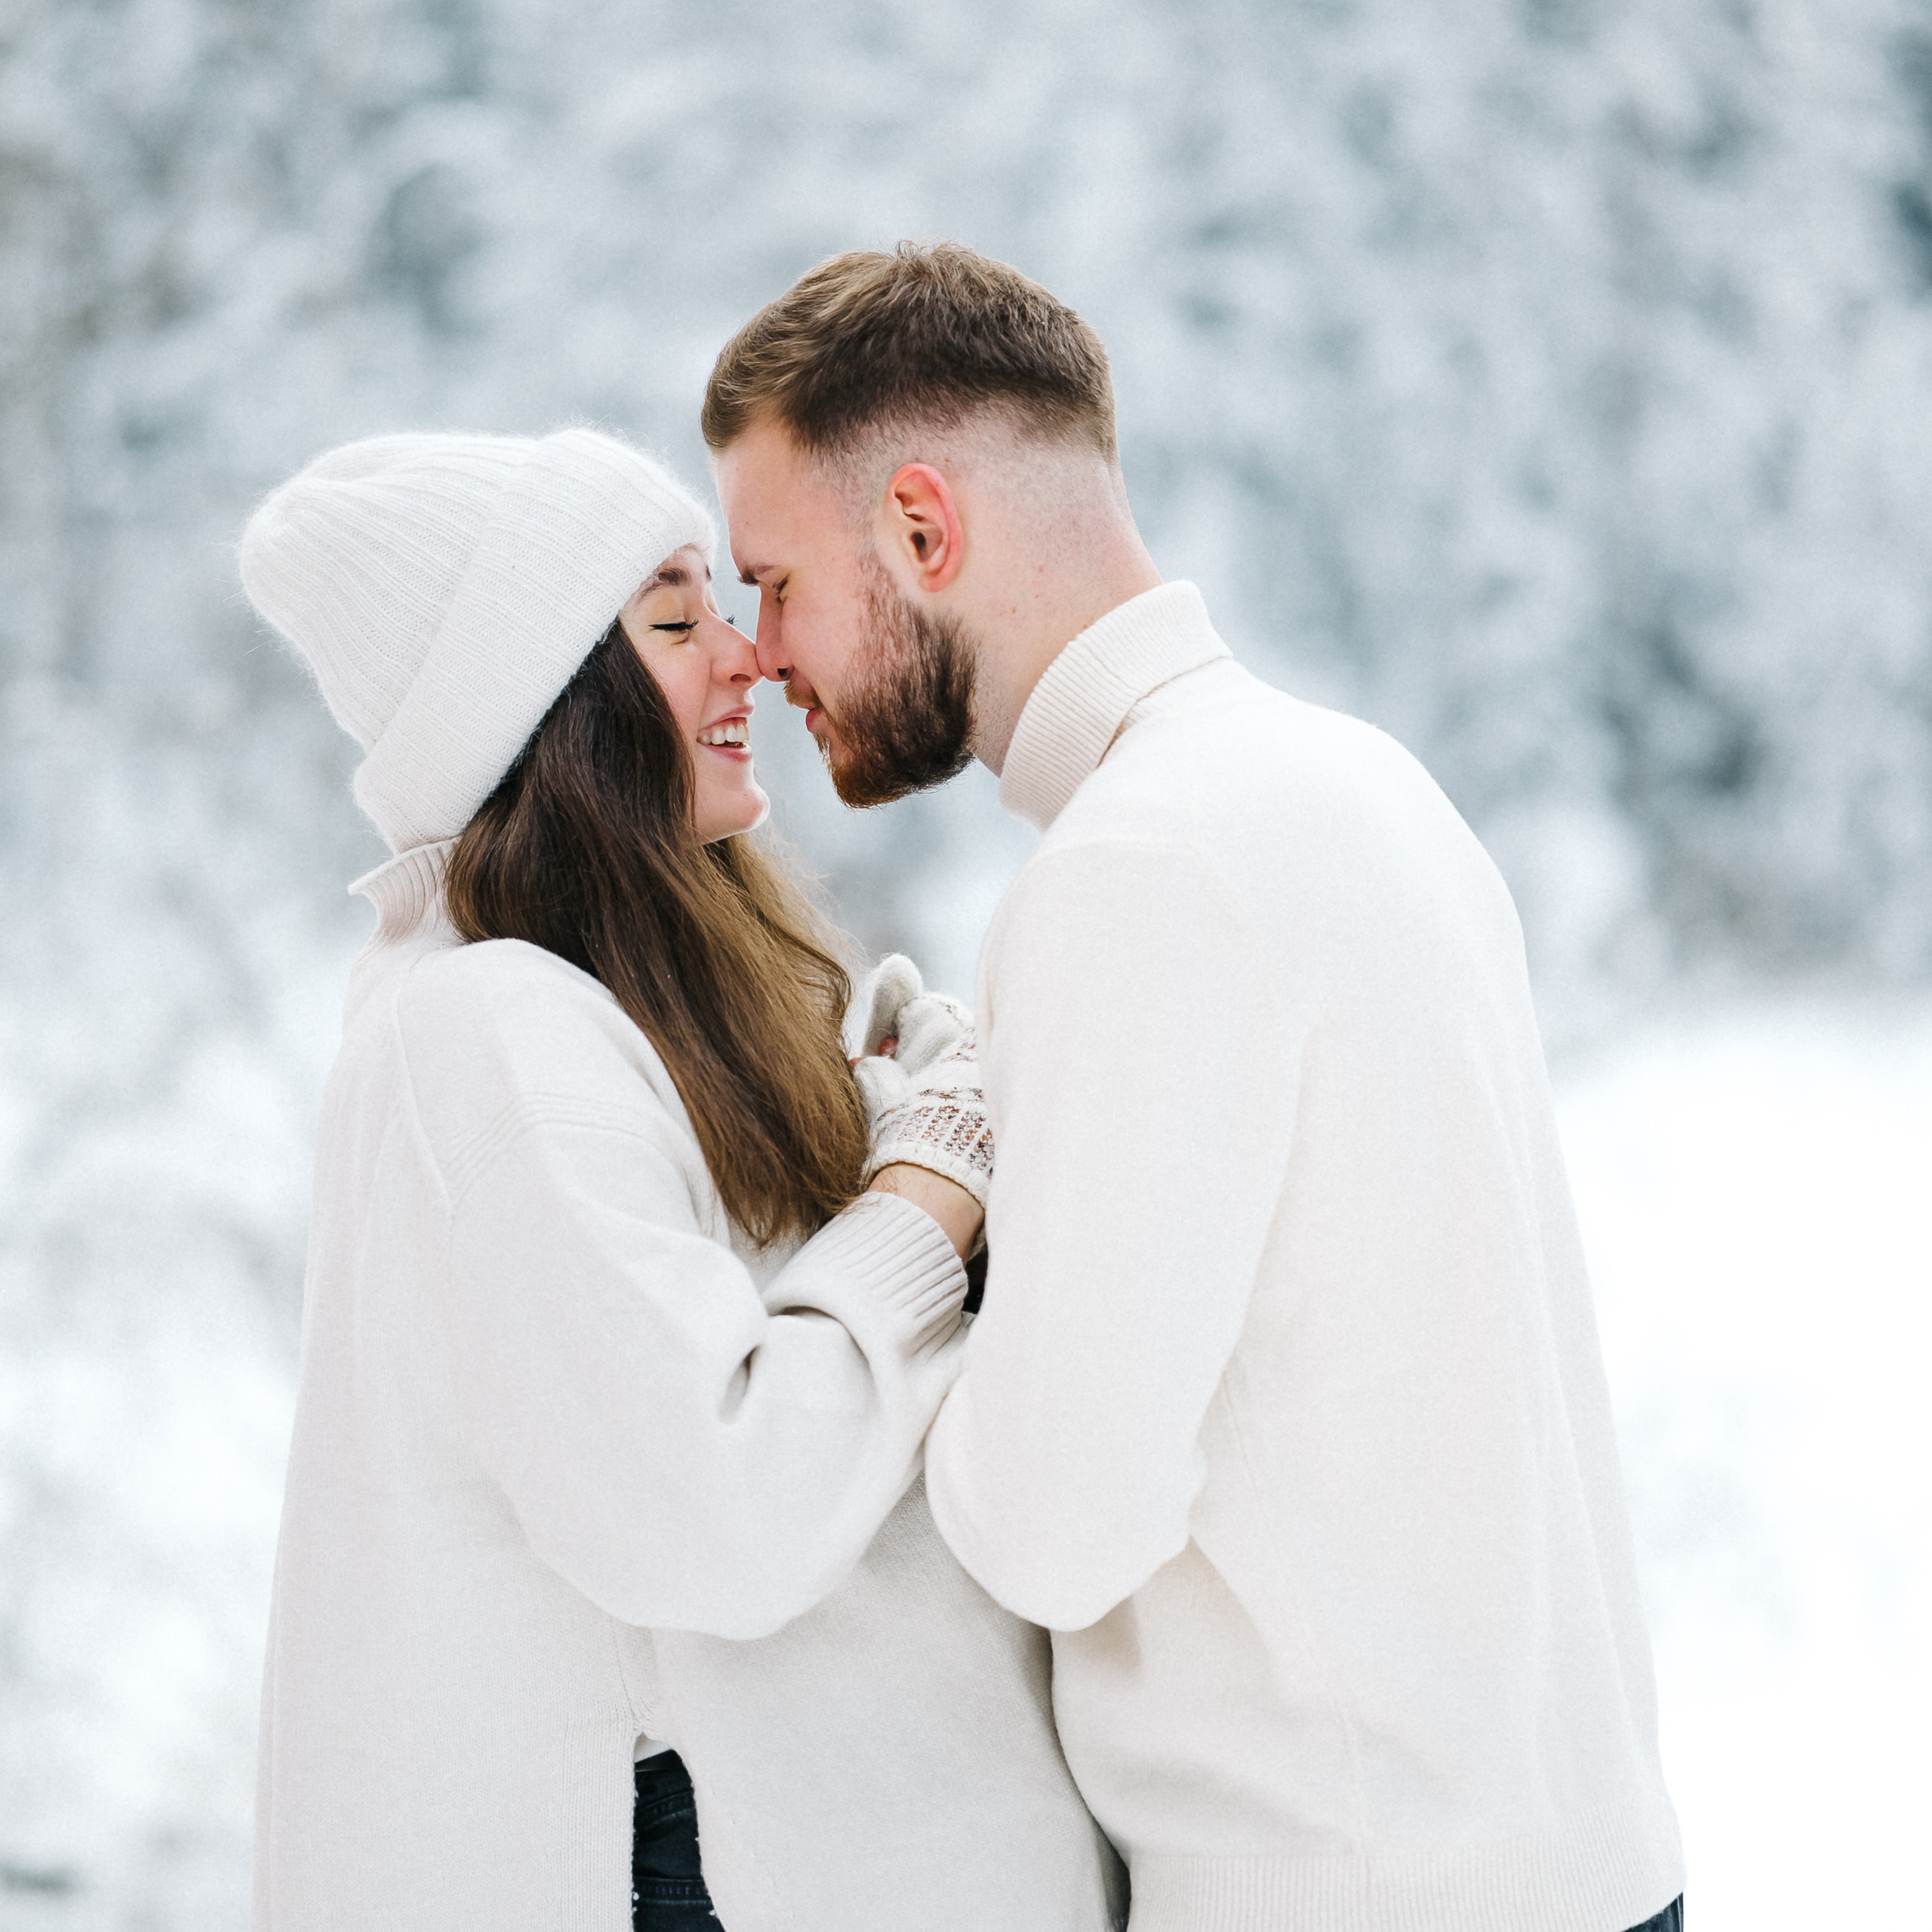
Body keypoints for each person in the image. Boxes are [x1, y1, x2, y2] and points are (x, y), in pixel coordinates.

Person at [705, 242, 1687, 1932]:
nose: (759, 651)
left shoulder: (1139, 869)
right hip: (1564, 1861)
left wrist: (923, 1226)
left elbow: (1051, 1525)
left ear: (922, 528)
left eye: (776, 581)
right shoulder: (1362, 788)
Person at [237, 426, 1124, 1932]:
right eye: (673, 619)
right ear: (545, 709)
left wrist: (903, 1095)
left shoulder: (614, 998)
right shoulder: (486, 1031)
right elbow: (721, 1505)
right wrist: (930, 1191)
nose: (748, 656)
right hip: (701, 1865)